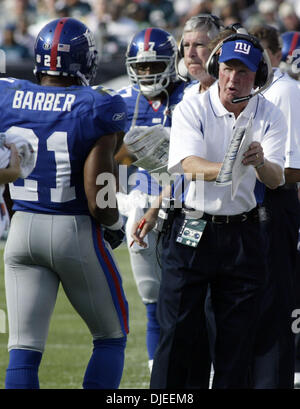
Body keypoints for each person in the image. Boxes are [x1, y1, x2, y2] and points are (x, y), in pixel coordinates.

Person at [149, 32, 287, 389]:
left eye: (243, 72)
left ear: (257, 78)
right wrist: (225, 167)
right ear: (217, 68)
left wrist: (259, 162)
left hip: (243, 232)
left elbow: (275, 179)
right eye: (227, 69)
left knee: (236, 341)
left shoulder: (269, 112)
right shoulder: (192, 107)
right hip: (193, 226)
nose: (232, 79)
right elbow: (186, 163)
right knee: (177, 332)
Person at [1, 17, 129, 389]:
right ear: (85, 60)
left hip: (21, 231)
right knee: (110, 336)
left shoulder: (7, 94)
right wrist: (113, 225)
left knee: (23, 349)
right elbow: (98, 186)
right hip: (73, 230)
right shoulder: (97, 104)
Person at [122, 17, 224, 381]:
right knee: (160, 303)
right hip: (157, 207)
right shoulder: (123, 100)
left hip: (207, 210)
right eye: (141, 66)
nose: (148, 73)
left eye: (154, 65)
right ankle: (163, 378)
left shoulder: (202, 94)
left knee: (206, 306)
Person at [248, 24, 300, 389]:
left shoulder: (286, 92)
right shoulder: (259, 94)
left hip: (274, 210)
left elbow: (293, 168)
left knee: (273, 311)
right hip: (249, 212)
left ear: (275, 56)